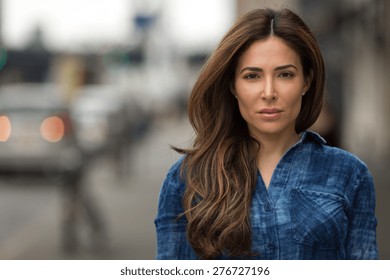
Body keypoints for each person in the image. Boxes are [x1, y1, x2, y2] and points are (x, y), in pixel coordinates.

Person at [154, 8, 378, 260]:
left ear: (306, 81)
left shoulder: (350, 174)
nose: (269, 92)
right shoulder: (186, 179)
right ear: (232, 85)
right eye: (252, 76)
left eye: (285, 74)